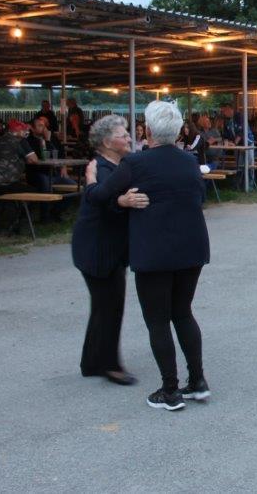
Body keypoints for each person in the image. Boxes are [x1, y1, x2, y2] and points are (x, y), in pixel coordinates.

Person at [84, 101, 211, 412]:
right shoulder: (189, 161)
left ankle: (170, 390)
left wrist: (91, 182)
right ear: (179, 130)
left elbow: (100, 196)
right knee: (183, 313)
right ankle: (197, 381)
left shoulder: (136, 163)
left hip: (155, 251)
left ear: (149, 130)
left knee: (158, 320)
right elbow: (200, 196)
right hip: (191, 246)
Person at [71, 115, 149, 387]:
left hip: (107, 247)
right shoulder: (102, 168)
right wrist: (121, 202)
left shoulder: (116, 165)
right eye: (122, 134)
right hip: (97, 249)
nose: (129, 138)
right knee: (110, 306)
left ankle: (92, 362)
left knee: (103, 305)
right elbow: (101, 201)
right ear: (106, 142)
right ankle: (110, 365)